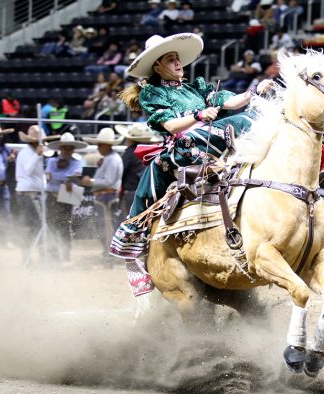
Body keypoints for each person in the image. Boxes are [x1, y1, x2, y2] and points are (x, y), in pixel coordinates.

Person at [110, 32, 273, 296]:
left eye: (178, 58)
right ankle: (135, 254)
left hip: (211, 139)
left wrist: (254, 91)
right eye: (171, 59)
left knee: (252, 114)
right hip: (185, 147)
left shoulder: (194, 86)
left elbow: (229, 101)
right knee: (240, 122)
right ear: (157, 66)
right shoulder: (151, 92)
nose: (178, 63)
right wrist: (198, 115)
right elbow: (170, 126)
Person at [82, 128, 124, 267]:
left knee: (107, 228)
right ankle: (109, 256)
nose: (98, 147)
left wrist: (91, 182)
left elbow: (109, 181)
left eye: (100, 145)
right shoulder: (109, 158)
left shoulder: (112, 159)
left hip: (107, 197)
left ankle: (109, 258)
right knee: (105, 227)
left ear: (107, 145)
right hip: (105, 197)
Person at [15, 125, 57, 264]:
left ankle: (42, 257)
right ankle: (26, 257)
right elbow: (27, 171)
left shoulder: (37, 152)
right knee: (29, 227)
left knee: (41, 226)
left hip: (38, 193)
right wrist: (37, 155)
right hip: (27, 194)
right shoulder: (26, 153)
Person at [45, 132, 88, 264]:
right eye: (65, 147)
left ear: (73, 149)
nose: (67, 150)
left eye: (70, 148)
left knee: (64, 227)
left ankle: (65, 256)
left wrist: (58, 177)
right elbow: (50, 176)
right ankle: (54, 256)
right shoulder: (51, 161)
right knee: (51, 227)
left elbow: (73, 177)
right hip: (53, 197)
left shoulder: (77, 162)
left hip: (65, 199)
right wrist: (66, 179)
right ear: (60, 149)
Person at [114, 124, 161, 219]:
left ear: (130, 140)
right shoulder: (153, 152)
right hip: (150, 192)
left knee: (131, 220)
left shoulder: (130, 153)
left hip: (132, 193)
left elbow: (121, 173)